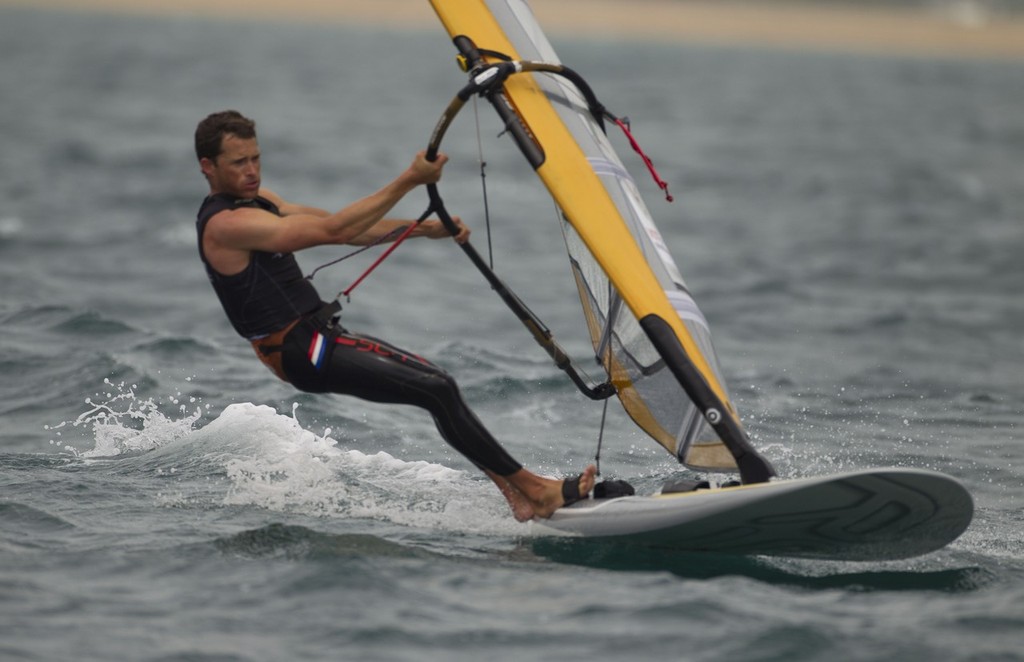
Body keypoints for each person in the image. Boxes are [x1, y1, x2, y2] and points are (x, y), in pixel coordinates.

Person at [194, 110, 595, 520]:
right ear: (208, 167)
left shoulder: (263, 203)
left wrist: (423, 229)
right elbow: (335, 232)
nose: (251, 171)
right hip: (301, 350)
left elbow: (354, 228)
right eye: (238, 163)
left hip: (317, 337)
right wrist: (411, 178)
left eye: (255, 158)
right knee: (437, 389)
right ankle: (537, 491)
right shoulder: (227, 225)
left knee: (439, 387)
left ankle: (518, 497)